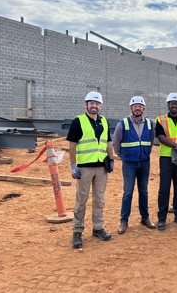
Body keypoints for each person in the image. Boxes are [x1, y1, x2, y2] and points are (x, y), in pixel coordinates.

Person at [67, 91, 114, 249]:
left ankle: (98, 228)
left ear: (100, 105)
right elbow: (72, 145)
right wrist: (73, 166)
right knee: (81, 201)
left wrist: (112, 159)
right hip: (85, 168)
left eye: (97, 103)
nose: (94, 106)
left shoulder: (104, 122)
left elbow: (108, 142)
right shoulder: (78, 121)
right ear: (86, 104)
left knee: (99, 200)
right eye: (91, 103)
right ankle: (77, 231)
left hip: (101, 168)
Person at [112, 95, 156, 235]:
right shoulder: (123, 123)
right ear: (131, 108)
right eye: (135, 106)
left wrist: (145, 153)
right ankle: (124, 221)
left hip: (144, 162)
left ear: (143, 108)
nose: (137, 108)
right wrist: (123, 156)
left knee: (144, 191)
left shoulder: (149, 124)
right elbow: (115, 143)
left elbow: (150, 141)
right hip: (129, 164)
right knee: (128, 192)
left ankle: (145, 218)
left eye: (140, 106)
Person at [155, 92, 177, 231]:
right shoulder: (160, 120)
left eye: (176, 103)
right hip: (166, 158)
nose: (174, 105)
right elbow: (161, 137)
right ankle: (162, 217)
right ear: (168, 105)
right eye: (172, 103)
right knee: (164, 188)